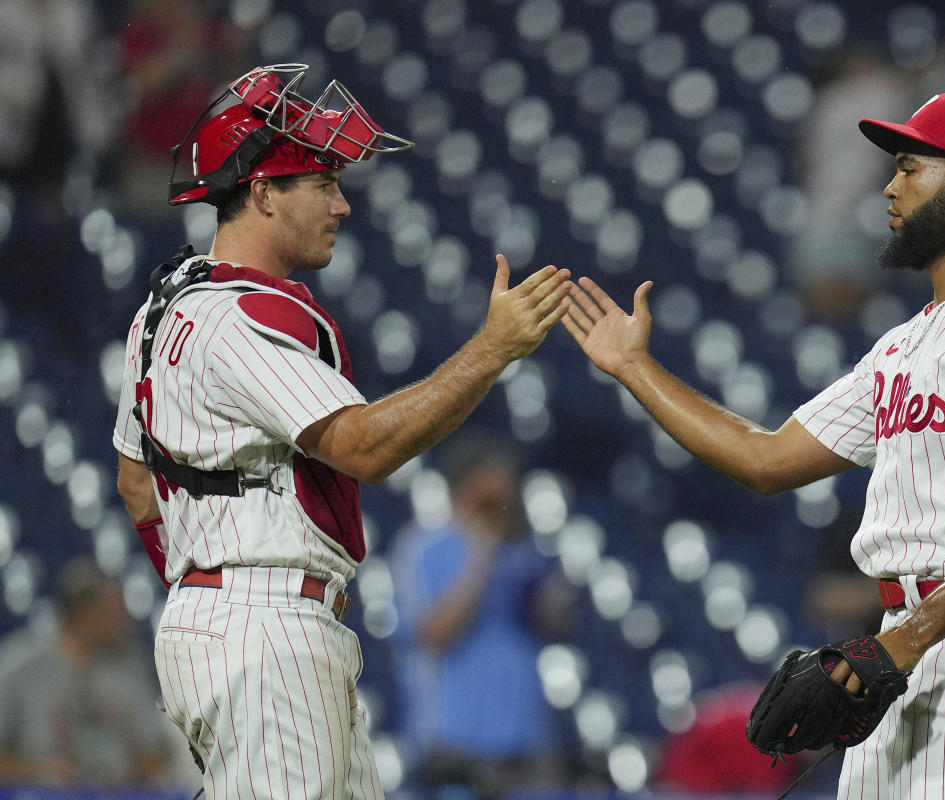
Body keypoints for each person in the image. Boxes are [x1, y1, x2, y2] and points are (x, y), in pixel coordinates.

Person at [561, 92, 945, 799]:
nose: (891, 187)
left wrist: (903, 640)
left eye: (908, 167)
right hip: (906, 638)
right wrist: (635, 369)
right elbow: (767, 459)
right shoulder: (903, 345)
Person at [112, 64, 571, 799]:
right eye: (322, 185)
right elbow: (363, 446)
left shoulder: (163, 309)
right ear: (262, 192)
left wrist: (202, 586)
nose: (342, 204)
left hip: (232, 618)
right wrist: (494, 348)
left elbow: (137, 484)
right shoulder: (237, 317)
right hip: (266, 629)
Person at [390, 430, 574, 799]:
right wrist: (481, 554)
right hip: (456, 739)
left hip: (526, 736)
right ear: (466, 485)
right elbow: (434, 633)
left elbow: (556, 627)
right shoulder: (424, 547)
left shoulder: (522, 551)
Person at [0, 556, 176, 789]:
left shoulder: (129, 668)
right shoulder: (20, 667)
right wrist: (39, 771)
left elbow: (157, 755)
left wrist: (121, 773)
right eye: (115, 609)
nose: (125, 619)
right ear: (86, 613)